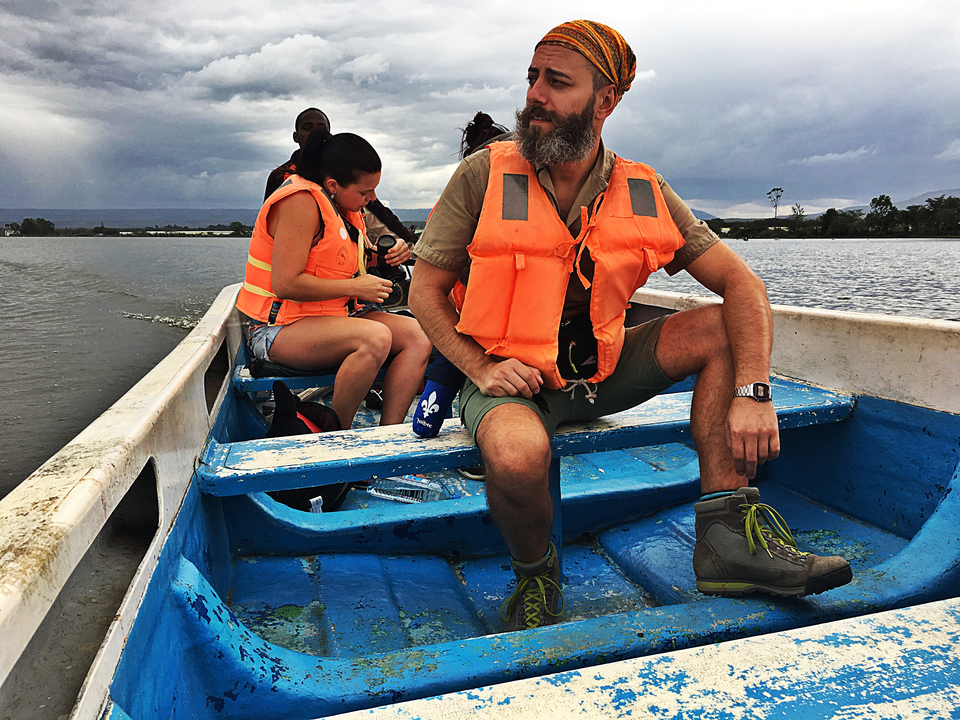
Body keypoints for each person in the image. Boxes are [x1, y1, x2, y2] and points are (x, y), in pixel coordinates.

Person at [409, 20, 852, 632]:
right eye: (533, 78)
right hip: (511, 378)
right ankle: (537, 575)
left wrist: (753, 392)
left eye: (557, 82)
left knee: (723, 326)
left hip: (604, 372)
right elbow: (424, 291)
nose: (535, 94)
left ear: (605, 101)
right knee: (516, 456)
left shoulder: (642, 188)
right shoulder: (483, 175)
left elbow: (743, 286)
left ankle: (726, 543)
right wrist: (480, 367)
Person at [239, 130, 432, 428]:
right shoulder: (300, 202)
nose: (372, 198)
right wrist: (356, 287)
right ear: (333, 185)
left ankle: (387, 434)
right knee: (375, 338)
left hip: (334, 317)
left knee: (418, 337)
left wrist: (388, 254)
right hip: (276, 329)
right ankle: (337, 433)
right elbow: (285, 283)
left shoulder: (342, 209)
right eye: (365, 192)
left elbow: (340, 261)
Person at [264, 108, 419, 247]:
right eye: (307, 128)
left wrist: (411, 243)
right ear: (296, 136)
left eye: (321, 128)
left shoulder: (343, 173)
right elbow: (269, 228)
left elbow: (379, 214)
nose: (314, 132)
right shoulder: (283, 179)